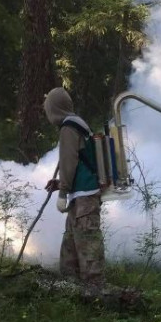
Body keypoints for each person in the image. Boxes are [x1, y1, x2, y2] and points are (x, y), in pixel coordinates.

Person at [43, 87, 105, 288]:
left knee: (88, 249)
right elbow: (79, 163)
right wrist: (61, 184)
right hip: (80, 196)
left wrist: (62, 192)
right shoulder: (74, 123)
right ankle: (72, 293)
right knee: (70, 251)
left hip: (85, 197)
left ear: (54, 108)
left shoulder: (69, 127)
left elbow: (69, 161)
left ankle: (96, 297)